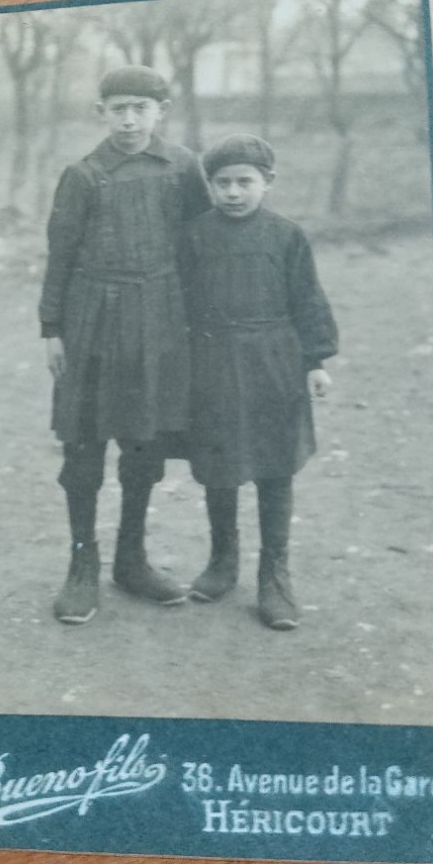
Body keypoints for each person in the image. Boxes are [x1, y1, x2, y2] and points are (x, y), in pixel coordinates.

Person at [39, 65, 211, 624]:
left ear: (162, 110)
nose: (130, 119)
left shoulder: (184, 168)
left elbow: (200, 247)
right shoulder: (84, 175)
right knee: (84, 446)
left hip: (159, 317)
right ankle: (82, 565)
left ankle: (130, 560)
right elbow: (59, 257)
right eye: (119, 108)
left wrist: (201, 323)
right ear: (101, 113)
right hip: (92, 316)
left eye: (141, 107)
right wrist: (52, 329)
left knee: (144, 443)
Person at [179, 134, 339, 631]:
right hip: (212, 361)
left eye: (244, 182)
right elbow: (178, 304)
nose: (233, 192)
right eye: (222, 183)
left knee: (275, 466)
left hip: (274, 360)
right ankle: (223, 560)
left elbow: (308, 300)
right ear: (209, 185)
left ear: (267, 183)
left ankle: (274, 575)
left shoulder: (286, 236)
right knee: (219, 464)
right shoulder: (193, 236)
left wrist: (315, 360)